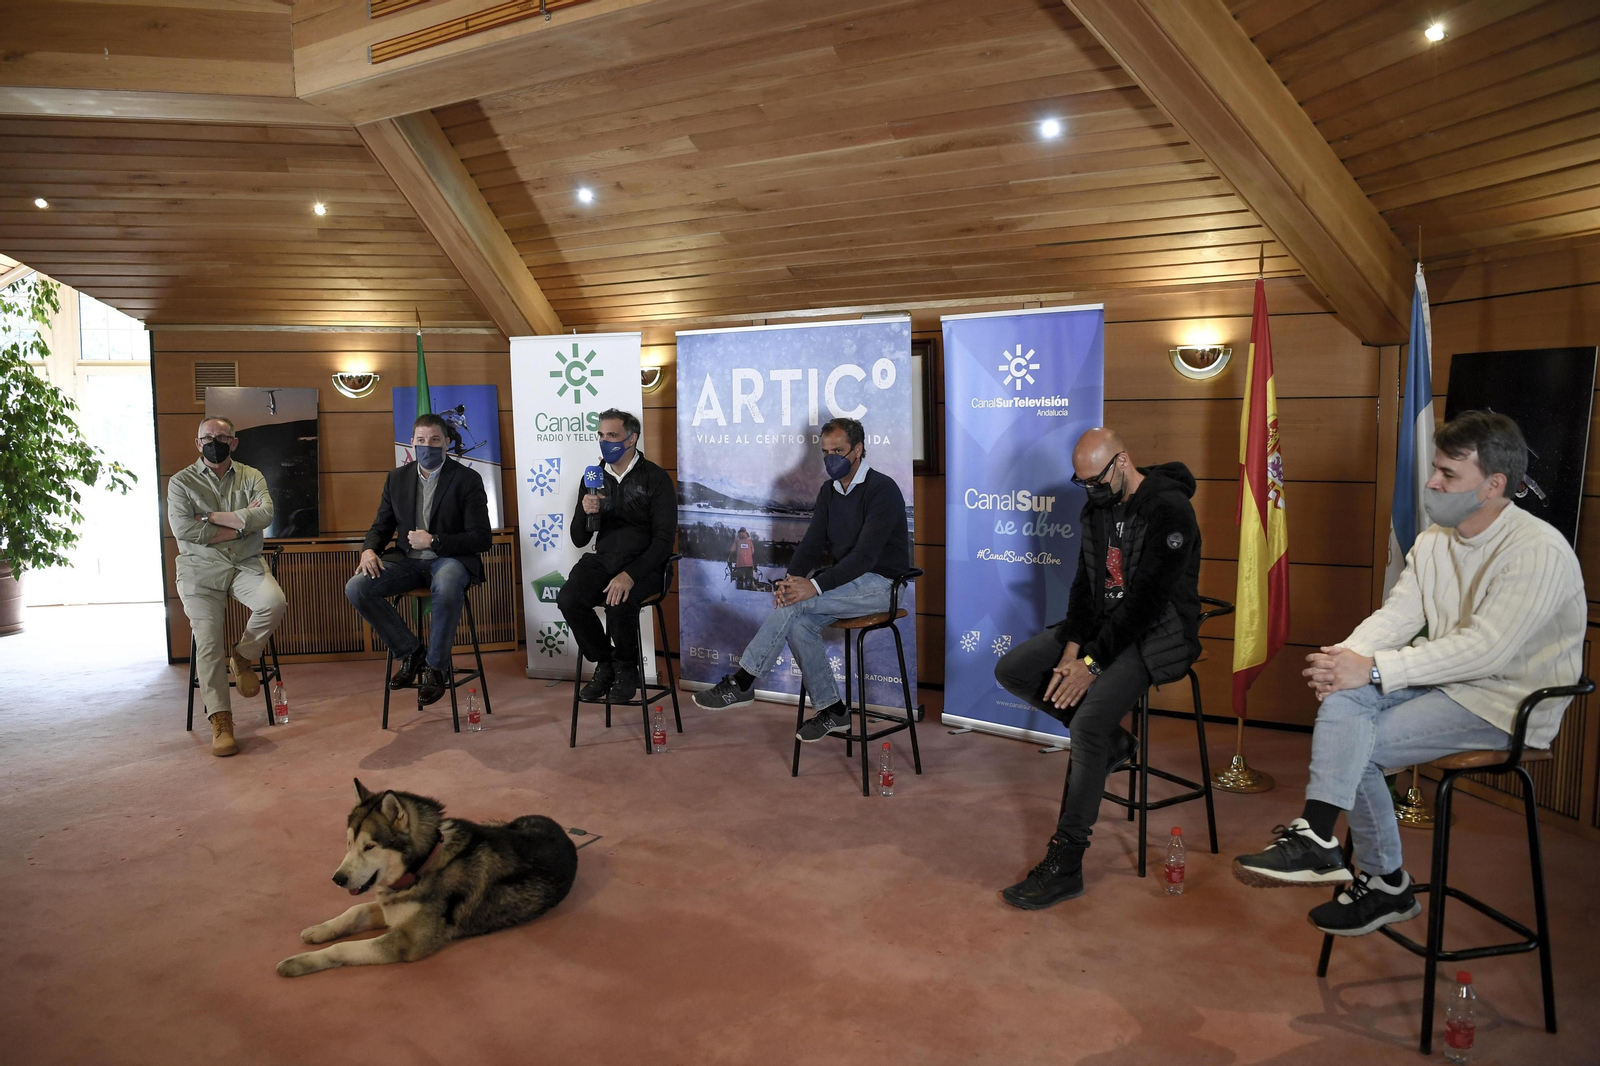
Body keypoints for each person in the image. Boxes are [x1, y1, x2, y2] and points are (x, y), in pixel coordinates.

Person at [1234, 411, 1585, 936]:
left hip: (1507, 702)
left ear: (1494, 485)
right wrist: (1343, 661)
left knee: (1363, 746)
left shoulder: (1539, 550)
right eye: (1435, 469)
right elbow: (1397, 618)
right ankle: (1320, 840)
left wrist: (1372, 670)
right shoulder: (1436, 540)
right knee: (1343, 701)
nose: (1432, 482)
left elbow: (1487, 651)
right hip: (1447, 682)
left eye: (1448, 474)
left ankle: (1382, 883)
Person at [994, 427, 1202, 909]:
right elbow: (1086, 590)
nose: (1089, 491)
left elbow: (1147, 605)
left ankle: (1066, 863)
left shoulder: (1170, 510)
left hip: (1158, 635)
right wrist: (1072, 647)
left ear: (1123, 462)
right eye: (1081, 482)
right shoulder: (1097, 509)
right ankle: (1114, 743)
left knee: (1086, 723)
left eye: (1096, 480)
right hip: (1104, 631)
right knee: (1015, 670)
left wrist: (1091, 662)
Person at [693, 418, 912, 742]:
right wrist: (791, 580)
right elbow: (812, 543)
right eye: (825, 452)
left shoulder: (882, 489)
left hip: (883, 586)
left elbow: (865, 556)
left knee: (801, 601)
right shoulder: (829, 491)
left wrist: (814, 585)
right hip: (846, 585)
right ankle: (834, 710)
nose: (830, 459)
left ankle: (742, 682)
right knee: (798, 621)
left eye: (838, 451)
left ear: (858, 449)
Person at [345, 413, 492, 706]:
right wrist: (369, 549)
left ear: (447, 444)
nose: (428, 446)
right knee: (356, 587)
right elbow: (381, 526)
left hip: (449, 559)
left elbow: (481, 538)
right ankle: (411, 652)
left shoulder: (467, 479)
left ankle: (436, 668)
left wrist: (435, 541)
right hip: (407, 562)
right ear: (411, 443)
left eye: (435, 440)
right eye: (422, 440)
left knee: (448, 583)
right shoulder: (397, 479)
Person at [166, 417, 287, 757]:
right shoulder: (181, 482)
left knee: (274, 602)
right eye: (207, 437)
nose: (213, 442)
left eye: (221, 437)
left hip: (245, 566)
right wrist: (238, 524)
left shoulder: (252, 475)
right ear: (197, 443)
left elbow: (266, 514)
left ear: (233, 442)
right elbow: (185, 531)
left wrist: (209, 516)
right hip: (199, 573)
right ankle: (221, 720)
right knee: (207, 639)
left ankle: (244, 656)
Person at [556, 409, 678, 703]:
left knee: (619, 601)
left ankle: (627, 670)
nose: (605, 441)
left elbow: (664, 541)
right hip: (605, 559)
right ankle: (606, 664)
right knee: (570, 598)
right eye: (601, 435)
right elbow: (579, 539)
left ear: (631, 439)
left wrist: (629, 575)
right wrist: (586, 513)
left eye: (612, 435)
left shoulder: (656, 479)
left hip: (648, 564)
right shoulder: (593, 479)